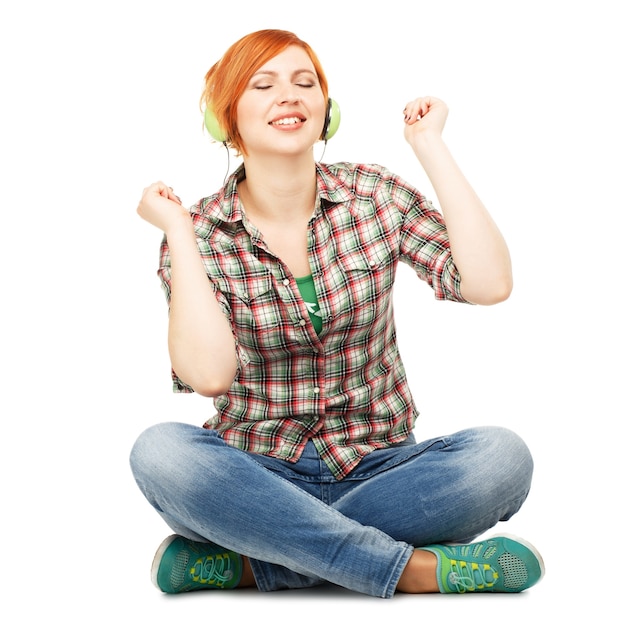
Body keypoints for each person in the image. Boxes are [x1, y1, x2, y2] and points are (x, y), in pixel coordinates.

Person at [130, 28, 544, 598]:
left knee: (503, 458)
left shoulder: (373, 195)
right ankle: (414, 571)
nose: (290, 95)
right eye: (264, 84)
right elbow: (209, 376)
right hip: (255, 476)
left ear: (328, 110)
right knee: (161, 453)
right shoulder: (197, 232)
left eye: (306, 83)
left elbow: (490, 283)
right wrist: (178, 229)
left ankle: (255, 562)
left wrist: (428, 144)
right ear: (224, 119)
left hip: (382, 471)